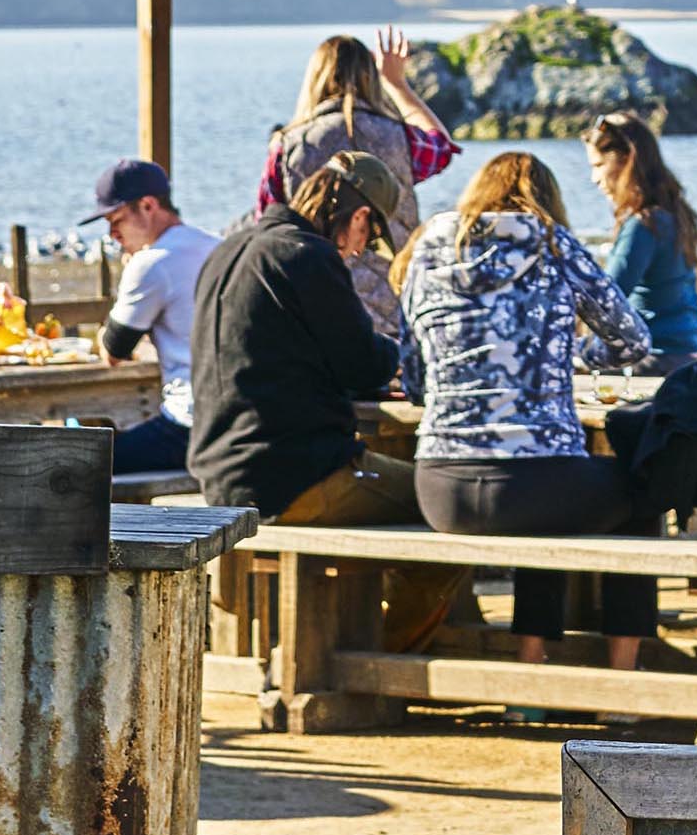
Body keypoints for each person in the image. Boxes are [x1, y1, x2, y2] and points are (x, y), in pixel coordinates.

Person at [395, 151, 656, 665]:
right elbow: (632, 341)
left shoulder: (427, 247)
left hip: (441, 490)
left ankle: (531, 659)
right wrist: (572, 352)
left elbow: (415, 381)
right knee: (642, 494)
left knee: (552, 498)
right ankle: (621, 679)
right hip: (539, 484)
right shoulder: (554, 244)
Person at [187, 155, 417, 524]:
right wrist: (399, 353)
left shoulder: (226, 252)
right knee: (450, 505)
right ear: (359, 216)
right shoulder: (308, 256)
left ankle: (362, 583)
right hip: (293, 479)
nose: (360, 251)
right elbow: (363, 365)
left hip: (218, 477)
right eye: (370, 237)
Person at [256, 30, 459, 338]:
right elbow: (440, 149)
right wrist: (397, 84)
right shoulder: (398, 137)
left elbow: (266, 220)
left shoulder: (288, 145)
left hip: (316, 310)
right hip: (395, 304)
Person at [86, 156, 217, 475]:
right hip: (233, 417)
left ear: (147, 205)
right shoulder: (217, 246)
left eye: (116, 221)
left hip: (189, 425)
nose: (113, 235)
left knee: (83, 463)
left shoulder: (151, 263)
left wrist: (130, 273)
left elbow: (113, 351)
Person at [586, 110, 697, 362]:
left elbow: (606, 300)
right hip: (691, 348)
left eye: (599, 165)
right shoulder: (674, 213)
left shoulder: (643, 225)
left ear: (626, 160)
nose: (594, 179)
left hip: (657, 354)